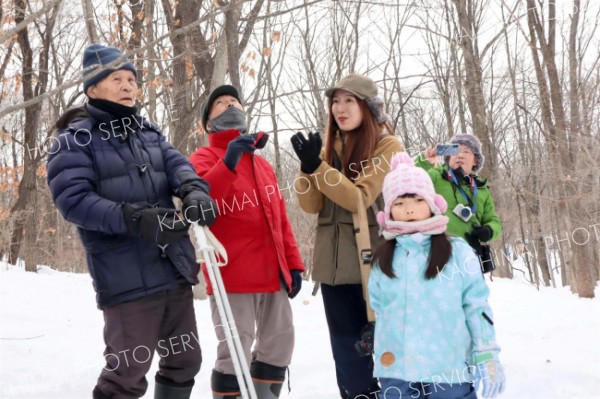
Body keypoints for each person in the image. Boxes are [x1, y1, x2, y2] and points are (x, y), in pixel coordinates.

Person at [47, 44, 216, 399]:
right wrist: (134, 218)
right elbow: (74, 201)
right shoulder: (74, 140)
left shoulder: (149, 134)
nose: (128, 86)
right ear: (93, 89)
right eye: (116, 79)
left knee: (185, 359)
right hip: (125, 276)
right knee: (126, 373)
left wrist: (194, 191)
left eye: (131, 80)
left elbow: (179, 167)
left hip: (173, 266)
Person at [291, 73, 404, 399]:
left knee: (389, 364)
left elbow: (358, 198)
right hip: (334, 272)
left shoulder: (387, 145)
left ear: (367, 107)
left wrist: (319, 168)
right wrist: (307, 166)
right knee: (351, 372)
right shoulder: (328, 150)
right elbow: (311, 204)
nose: (339, 108)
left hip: (377, 270)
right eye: (335, 101)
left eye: (348, 100)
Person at [189, 84, 305, 399]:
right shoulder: (202, 157)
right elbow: (201, 203)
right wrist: (227, 162)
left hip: (272, 273)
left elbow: (281, 219)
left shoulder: (262, 164)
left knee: (280, 342)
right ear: (208, 123)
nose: (230, 106)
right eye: (220, 103)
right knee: (235, 348)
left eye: (234, 101)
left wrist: (293, 264)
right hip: (231, 272)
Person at [369, 152, 506, 399]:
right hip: (397, 371)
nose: (409, 209)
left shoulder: (458, 251)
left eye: (417, 200)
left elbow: (476, 306)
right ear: (389, 212)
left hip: (448, 368)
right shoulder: (383, 258)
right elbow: (379, 308)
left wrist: (487, 354)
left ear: (432, 204)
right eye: (399, 204)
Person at [415, 134, 502, 269]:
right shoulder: (436, 176)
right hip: (440, 255)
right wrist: (425, 162)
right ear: (448, 157)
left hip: (471, 257)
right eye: (455, 150)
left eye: (466, 151)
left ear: (475, 161)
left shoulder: (482, 188)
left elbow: (493, 220)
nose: (460, 155)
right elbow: (412, 180)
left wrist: (489, 230)